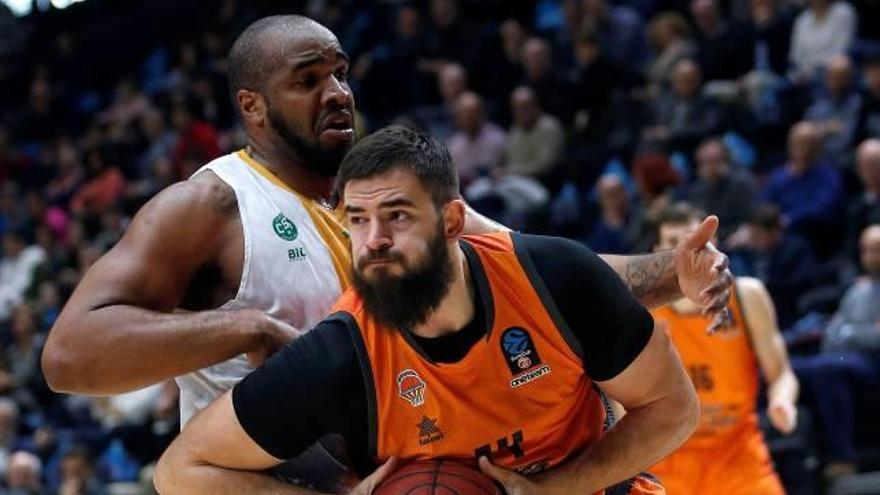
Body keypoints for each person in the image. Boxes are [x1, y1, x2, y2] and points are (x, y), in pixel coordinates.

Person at [42, 14, 731, 490]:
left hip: (405, 464)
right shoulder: (210, 204)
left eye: (340, 73)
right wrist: (245, 327)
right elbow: (71, 354)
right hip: (267, 477)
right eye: (308, 80)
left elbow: (541, 281)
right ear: (253, 107)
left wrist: (678, 273)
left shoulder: (379, 195)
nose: (337, 92)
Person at [154, 125, 701, 494]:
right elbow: (182, 470)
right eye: (358, 220)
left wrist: (558, 489)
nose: (373, 240)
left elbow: (673, 408)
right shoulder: (341, 355)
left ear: (453, 222)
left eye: (397, 216)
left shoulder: (553, 276)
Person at [648, 203, 798, 495]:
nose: (685, 252)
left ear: (713, 244)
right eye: (673, 243)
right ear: (656, 252)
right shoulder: (642, 313)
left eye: (695, 241)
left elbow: (782, 375)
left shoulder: (746, 296)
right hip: (667, 459)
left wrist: (782, 402)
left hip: (738, 453)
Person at [792, 224, 880, 480]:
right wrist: (856, 333)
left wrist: (849, 334)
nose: (870, 257)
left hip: (873, 363)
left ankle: (844, 456)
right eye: (865, 250)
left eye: (876, 250)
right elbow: (832, 335)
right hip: (850, 358)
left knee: (828, 369)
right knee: (793, 368)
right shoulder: (858, 289)